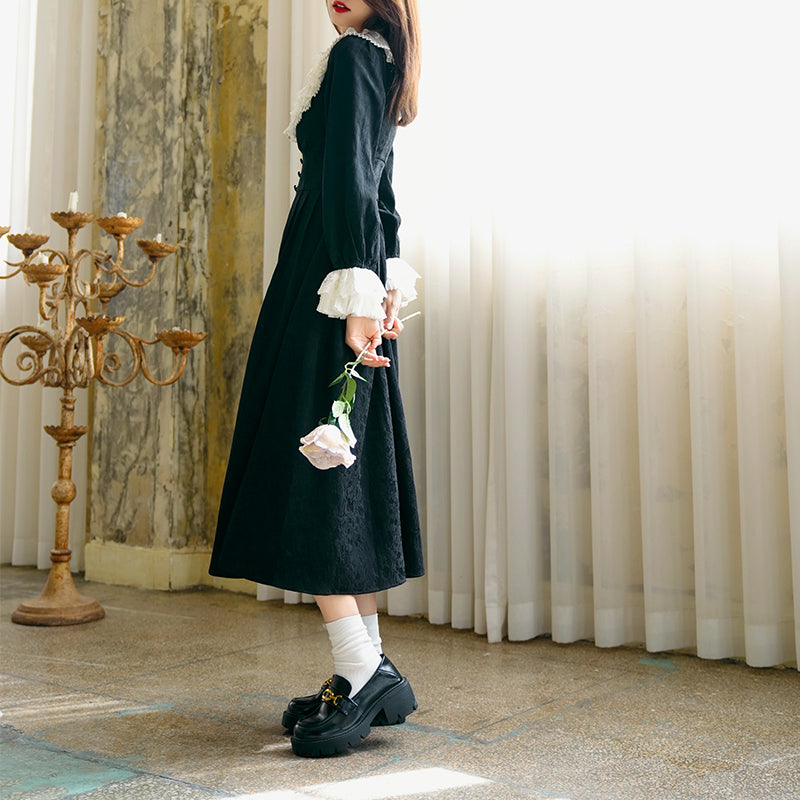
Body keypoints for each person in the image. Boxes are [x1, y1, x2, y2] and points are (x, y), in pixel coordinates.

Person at [209, 0, 424, 758]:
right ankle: (368, 668)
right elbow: (380, 193)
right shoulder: (378, 61)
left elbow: (355, 185)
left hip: (325, 281)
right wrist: (377, 282)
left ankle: (361, 670)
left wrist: (359, 294)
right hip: (340, 275)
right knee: (338, 470)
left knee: (316, 472)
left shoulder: (355, 57)